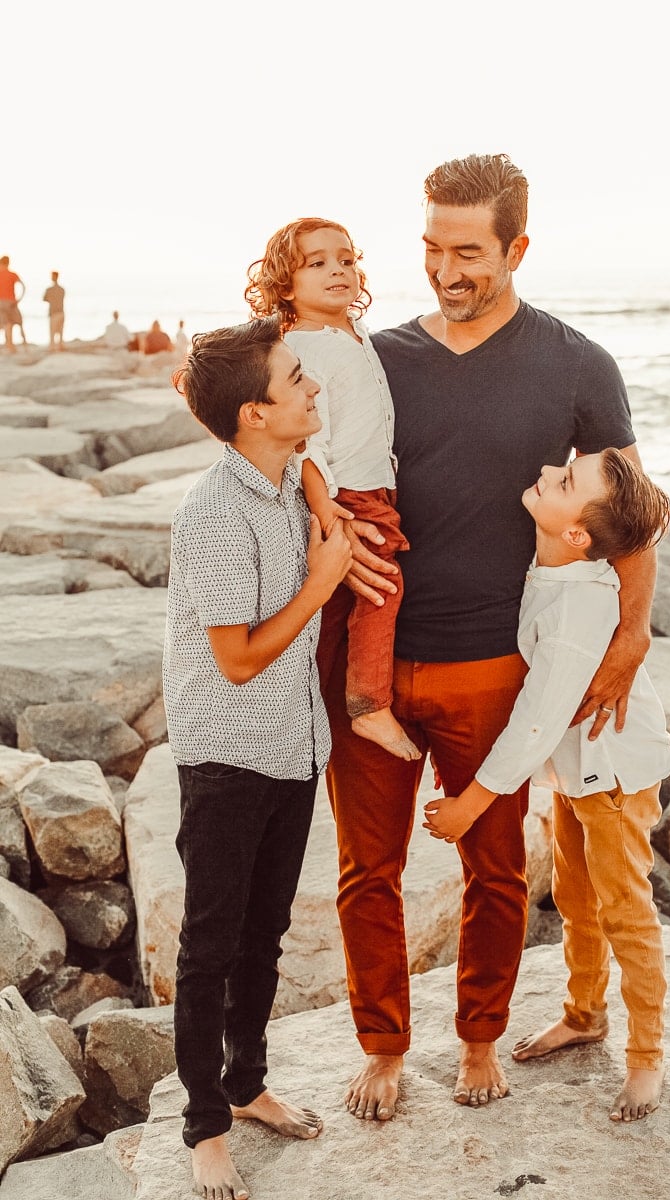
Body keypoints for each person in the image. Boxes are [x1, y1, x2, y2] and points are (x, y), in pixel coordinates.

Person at [321, 153, 658, 1122]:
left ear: (517, 247)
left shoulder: (576, 366)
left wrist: (629, 637)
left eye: (466, 251)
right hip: (372, 674)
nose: (443, 269)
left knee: (496, 870)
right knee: (364, 875)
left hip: (496, 669)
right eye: (430, 247)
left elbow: (631, 514)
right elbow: (314, 472)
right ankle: (382, 1046)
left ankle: (478, 1040)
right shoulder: (376, 360)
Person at [423, 449, 670, 1123]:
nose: (548, 471)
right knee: (573, 893)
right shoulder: (559, 570)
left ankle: (646, 1058)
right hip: (580, 770)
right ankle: (584, 1014)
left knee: (623, 908)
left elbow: (537, 720)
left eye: (566, 481)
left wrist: (473, 803)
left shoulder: (575, 614)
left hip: (613, 772)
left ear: (579, 535)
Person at [162, 317, 351, 1200]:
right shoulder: (212, 513)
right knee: (210, 945)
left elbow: (317, 470)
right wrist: (323, 579)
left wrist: (316, 494)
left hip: (294, 741)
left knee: (264, 937)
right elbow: (236, 659)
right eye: (295, 378)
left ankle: (246, 1083)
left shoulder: (284, 484)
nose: (311, 387)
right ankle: (203, 1126)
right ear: (253, 413)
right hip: (228, 753)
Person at [245, 218, 419, 761]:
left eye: (345, 259)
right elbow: (305, 439)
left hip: (372, 486)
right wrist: (327, 508)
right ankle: (368, 704)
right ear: (285, 284)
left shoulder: (353, 334)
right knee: (382, 583)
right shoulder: (300, 344)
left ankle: (313, 705)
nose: (337, 269)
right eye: (316, 263)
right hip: (348, 493)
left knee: (346, 602)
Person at [0, 255, 25, 353]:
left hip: (2, 302)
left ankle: (9, 345)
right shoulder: (13, 274)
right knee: (14, 323)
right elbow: (23, 286)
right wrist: (19, 299)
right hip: (11, 302)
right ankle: (11, 345)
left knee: (7, 324)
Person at [43, 270, 66, 350]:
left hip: (54, 312)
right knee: (60, 332)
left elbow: (44, 299)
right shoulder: (62, 289)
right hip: (61, 312)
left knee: (52, 332)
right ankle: (60, 346)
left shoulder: (49, 290)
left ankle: (52, 348)